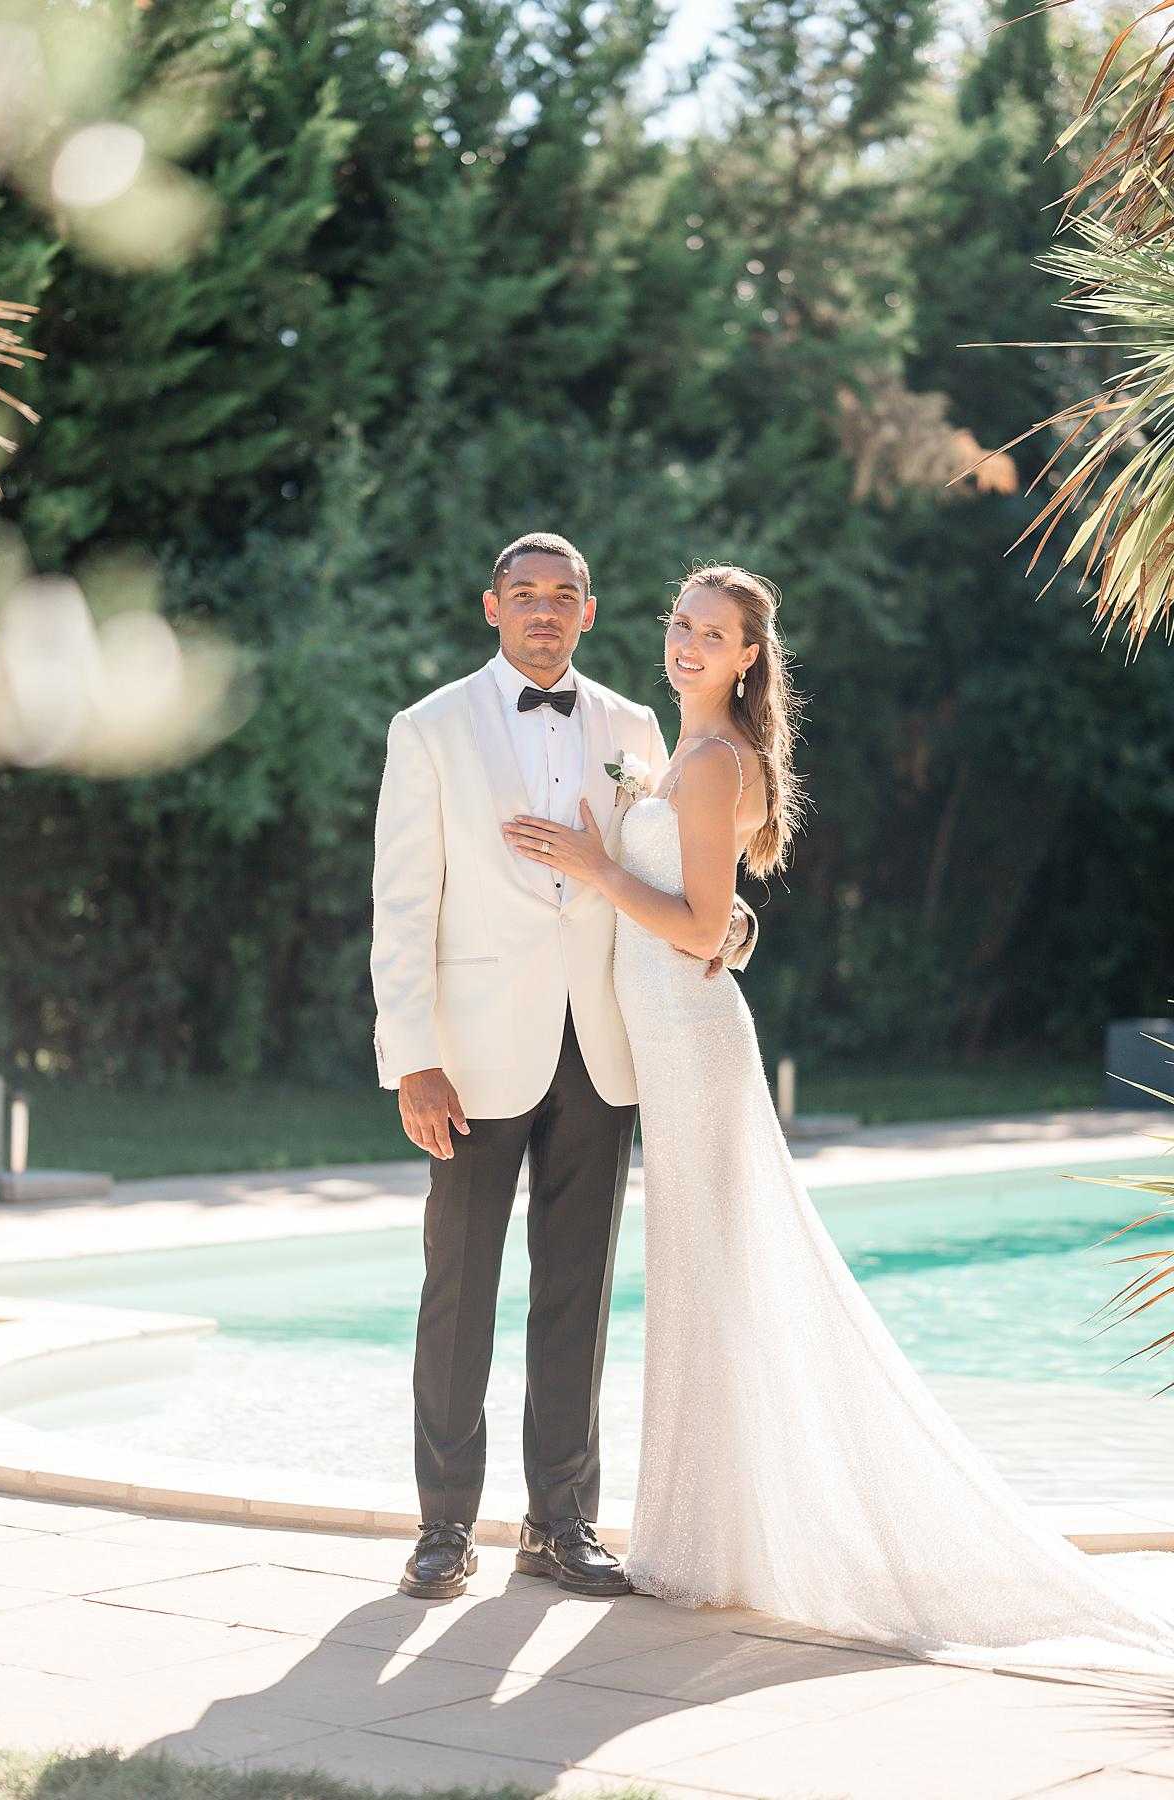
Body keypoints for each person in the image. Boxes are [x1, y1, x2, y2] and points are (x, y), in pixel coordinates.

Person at [502, 561, 1174, 1678]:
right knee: (701, 1280)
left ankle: (721, 1540)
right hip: (667, 1040)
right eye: (680, 623)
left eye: (712, 633)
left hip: (693, 1043)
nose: (687, 643)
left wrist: (593, 865)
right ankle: (701, 1540)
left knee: (719, 1275)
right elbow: (722, 920)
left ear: (748, 656)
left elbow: (700, 919)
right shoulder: (683, 755)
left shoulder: (715, 764)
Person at [370, 532, 756, 1602]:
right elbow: (402, 908)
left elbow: (679, 879)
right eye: (524, 594)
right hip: (476, 1055)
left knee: (576, 1293)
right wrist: (414, 1061)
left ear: (589, 613)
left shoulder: (639, 728)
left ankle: (561, 1522)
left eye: (564, 596)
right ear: (490, 607)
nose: (544, 610)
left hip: (606, 1045)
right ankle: (443, 1528)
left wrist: (732, 934)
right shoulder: (429, 729)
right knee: (459, 1290)